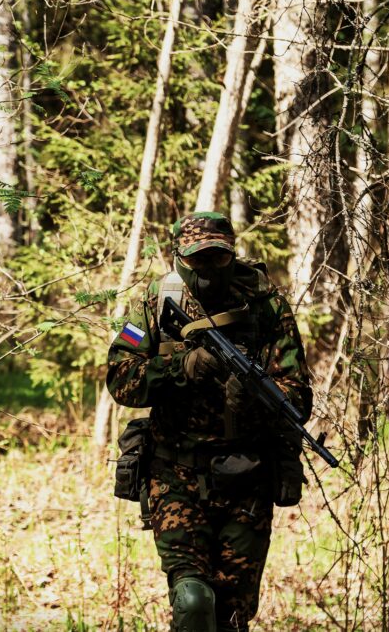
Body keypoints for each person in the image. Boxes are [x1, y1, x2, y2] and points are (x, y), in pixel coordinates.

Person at [107, 211, 312, 632]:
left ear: (231, 255)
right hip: (175, 473)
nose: (207, 269)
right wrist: (182, 368)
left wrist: (256, 400)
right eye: (197, 260)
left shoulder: (265, 304)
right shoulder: (152, 301)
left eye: (217, 259)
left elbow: (298, 397)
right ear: (180, 257)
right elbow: (120, 378)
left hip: (247, 478)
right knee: (193, 600)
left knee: (231, 616)